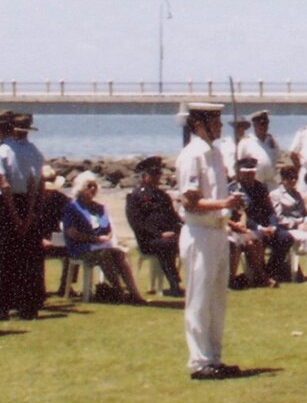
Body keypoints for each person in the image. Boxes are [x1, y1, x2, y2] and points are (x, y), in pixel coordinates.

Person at [177, 102, 244, 380]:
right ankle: (199, 360)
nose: (219, 126)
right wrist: (224, 202)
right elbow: (190, 201)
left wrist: (229, 207)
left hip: (218, 230)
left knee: (217, 298)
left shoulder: (216, 153)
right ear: (199, 124)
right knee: (200, 297)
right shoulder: (192, 155)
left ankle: (214, 357)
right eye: (214, 121)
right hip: (199, 232)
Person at [0, 111, 46, 320]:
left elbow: (3, 185)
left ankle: (3, 305)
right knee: (28, 256)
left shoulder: (1, 151)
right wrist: (30, 213)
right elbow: (35, 184)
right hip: (28, 202)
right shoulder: (33, 151)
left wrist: (15, 217)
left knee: (7, 256)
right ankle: (28, 305)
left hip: (8, 203)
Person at [62, 172, 146, 303]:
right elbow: (72, 233)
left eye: (95, 186)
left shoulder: (100, 208)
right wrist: (94, 239)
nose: (93, 189)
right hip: (81, 247)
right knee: (105, 254)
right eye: (89, 186)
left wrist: (108, 237)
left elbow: (109, 229)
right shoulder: (72, 208)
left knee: (119, 254)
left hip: (102, 245)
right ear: (81, 188)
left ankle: (135, 293)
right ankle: (119, 291)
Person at [125, 155, 184, 295]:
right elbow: (137, 223)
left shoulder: (163, 196)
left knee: (187, 241)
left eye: (158, 173)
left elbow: (173, 218)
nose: (158, 177)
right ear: (145, 176)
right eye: (154, 174)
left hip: (168, 236)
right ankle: (174, 284)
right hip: (148, 239)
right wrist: (159, 234)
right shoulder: (136, 196)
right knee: (166, 245)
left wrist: (181, 229)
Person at [232, 154, 292, 286]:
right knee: (257, 238)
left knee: (286, 237)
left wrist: (273, 225)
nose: (250, 175)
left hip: (266, 226)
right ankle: (262, 275)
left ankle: (271, 270)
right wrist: (260, 228)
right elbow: (242, 214)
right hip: (249, 228)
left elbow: (270, 210)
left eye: (252, 172)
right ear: (240, 173)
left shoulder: (260, 187)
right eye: (246, 173)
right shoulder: (235, 189)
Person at [239, 111, 282, 190]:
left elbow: (278, 160)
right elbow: (239, 165)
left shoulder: (272, 141)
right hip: (254, 185)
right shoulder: (246, 142)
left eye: (266, 124)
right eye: (261, 124)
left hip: (271, 185)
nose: (264, 126)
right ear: (254, 125)